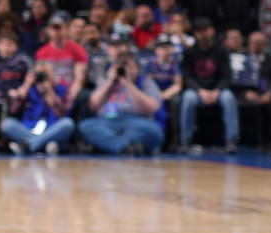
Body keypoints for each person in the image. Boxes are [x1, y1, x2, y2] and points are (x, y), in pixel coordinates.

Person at [79, 41, 165, 154]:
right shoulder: (108, 81)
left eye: (129, 66)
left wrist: (128, 83)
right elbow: (93, 105)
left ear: (136, 68)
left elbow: (152, 107)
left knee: (154, 131)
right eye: (121, 66)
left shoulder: (145, 83)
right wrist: (110, 81)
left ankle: (110, 145)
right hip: (107, 121)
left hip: (137, 122)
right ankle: (124, 147)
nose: (125, 69)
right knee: (86, 126)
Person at [179, 16, 240, 152]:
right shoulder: (190, 52)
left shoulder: (222, 51)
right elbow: (187, 77)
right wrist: (200, 91)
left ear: (212, 31)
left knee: (229, 98)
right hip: (197, 91)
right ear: (195, 34)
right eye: (200, 31)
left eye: (206, 30)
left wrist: (217, 90)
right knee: (188, 98)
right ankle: (185, 140)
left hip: (218, 90)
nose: (203, 34)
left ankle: (231, 140)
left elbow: (226, 76)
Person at [0, 61, 75, 154]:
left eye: (45, 74)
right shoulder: (28, 89)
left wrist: (51, 92)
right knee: (7, 124)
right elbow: (13, 110)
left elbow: (65, 114)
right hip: (28, 129)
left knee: (68, 124)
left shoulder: (62, 89)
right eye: (39, 74)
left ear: (53, 74)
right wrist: (25, 86)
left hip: (51, 129)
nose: (42, 78)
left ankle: (27, 146)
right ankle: (42, 145)